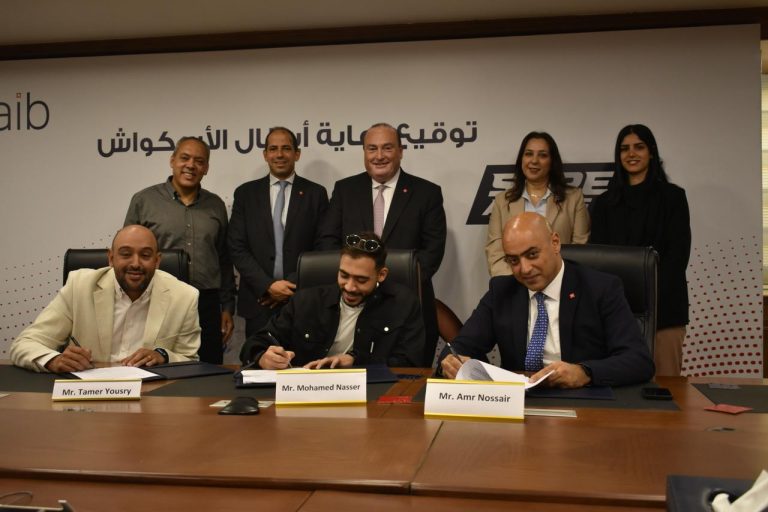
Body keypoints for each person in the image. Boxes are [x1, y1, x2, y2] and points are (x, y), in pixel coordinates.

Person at [440, 212, 654, 388]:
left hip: (584, 401)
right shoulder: (502, 291)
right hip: (520, 404)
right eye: (513, 260)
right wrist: (452, 362)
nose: (524, 269)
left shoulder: (601, 288)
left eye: (532, 255)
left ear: (555, 243)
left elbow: (638, 360)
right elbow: (458, 347)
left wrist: (585, 372)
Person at [317, 122, 446, 367]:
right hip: (353, 306)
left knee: (406, 378)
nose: (379, 156)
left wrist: (387, 288)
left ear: (400, 151)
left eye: (387, 148)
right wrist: (357, 283)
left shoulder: (426, 193)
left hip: (406, 307)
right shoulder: (345, 190)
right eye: (372, 148)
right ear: (364, 152)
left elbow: (432, 252)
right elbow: (327, 243)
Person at [10, 225, 200, 373]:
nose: (135, 263)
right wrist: (54, 360)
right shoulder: (79, 287)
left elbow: (190, 361)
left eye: (145, 255)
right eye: (125, 254)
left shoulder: (184, 297)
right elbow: (24, 344)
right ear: (111, 258)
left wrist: (163, 355)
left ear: (157, 261)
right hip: (88, 394)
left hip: (151, 396)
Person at [589, 124, 691, 376]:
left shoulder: (673, 197)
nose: (631, 154)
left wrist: (650, 296)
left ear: (651, 152)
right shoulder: (603, 204)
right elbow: (598, 261)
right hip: (615, 312)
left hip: (665, 311)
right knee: (620, 386)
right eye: (624, 149)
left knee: (666, 387)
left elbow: (677, 256)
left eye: (639, 147)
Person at [124, 137, 235, 364]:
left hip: (206, 304)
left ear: (206, 168)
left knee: (209, 368)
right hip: (157, 300)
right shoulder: (144, 200)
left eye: (199, 161)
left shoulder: (215, 205)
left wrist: (227, 307)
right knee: (156, 367)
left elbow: (223, 258)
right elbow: (127, 255)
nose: (191, 165)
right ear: (172, 160)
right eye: (185, 158)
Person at [241, 232, 424, 369]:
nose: (350, 287)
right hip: (307, 393)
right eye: (344, 275)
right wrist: (262, 357)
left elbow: (410, 362)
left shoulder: (403, 304)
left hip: (373, 395)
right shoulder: (306, 301)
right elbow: (256, 342)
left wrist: (355, 361)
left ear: (381, 275)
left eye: (361, 280)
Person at [228, 127, 328, 338]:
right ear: (265, 155)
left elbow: (322, 247)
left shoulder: (316, 193)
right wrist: (268, 286)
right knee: (259, 357)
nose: (279, 154)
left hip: (302, 299)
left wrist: (291, 285)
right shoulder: (245, 194)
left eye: (286, 148)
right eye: (273, 149)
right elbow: (236, 246)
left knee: (302, 359)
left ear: (297, 154)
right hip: (259, 300)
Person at [486, 131, 589, 277]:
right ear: (521, 159)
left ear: (552, 162)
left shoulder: (574, 198)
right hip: (515, 281)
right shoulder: (502, 201)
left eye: (542, 155)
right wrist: (520, 280)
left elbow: (580, 250)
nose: (534, 161)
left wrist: (555, 281)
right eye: (528, 154)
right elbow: (495, 253)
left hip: (560, 282)